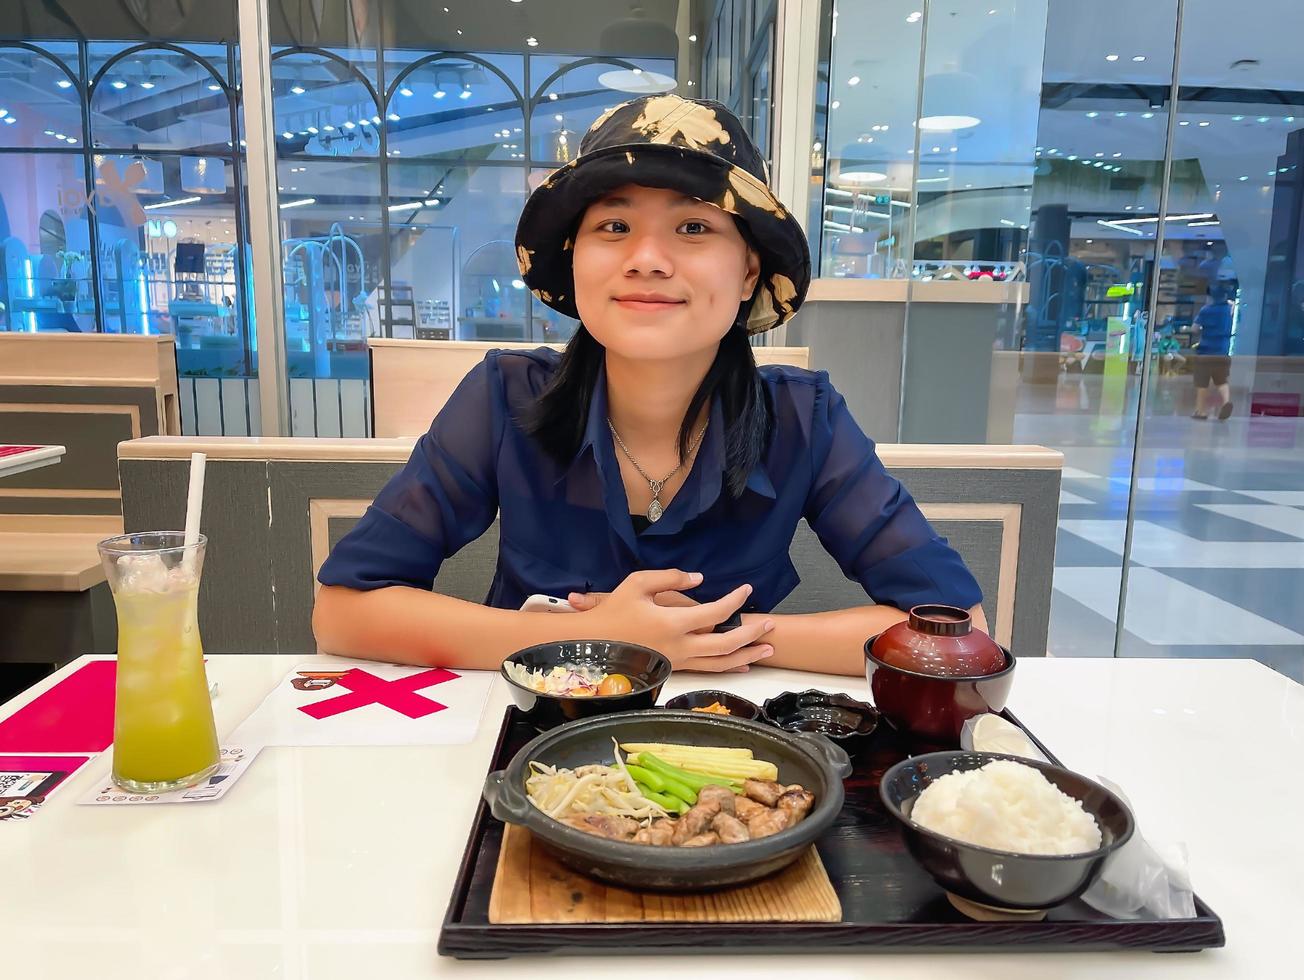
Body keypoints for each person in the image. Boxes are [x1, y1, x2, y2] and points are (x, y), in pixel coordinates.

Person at [313, 95, 985, 677]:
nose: (648, 261)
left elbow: (959, 629)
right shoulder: (504, 396)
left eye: (694, 227)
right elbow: (342, 613)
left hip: (725, 751)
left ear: (749, 272)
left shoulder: (804, 417)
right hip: (529, 741)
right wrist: (594, 638)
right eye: (614, 226)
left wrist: (705, 639)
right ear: (576, 258)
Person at [1190, 283, 1235, 420]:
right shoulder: (1228, 309)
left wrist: (1204, 329)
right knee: (1222, 380)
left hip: (1205, 352)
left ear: (1210, 296)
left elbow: (1194, 329)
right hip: (1223, 351)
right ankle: (1226, 402)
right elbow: (1233, 305)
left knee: (1202, 383)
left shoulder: (1206, 310)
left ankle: (1201, 412)